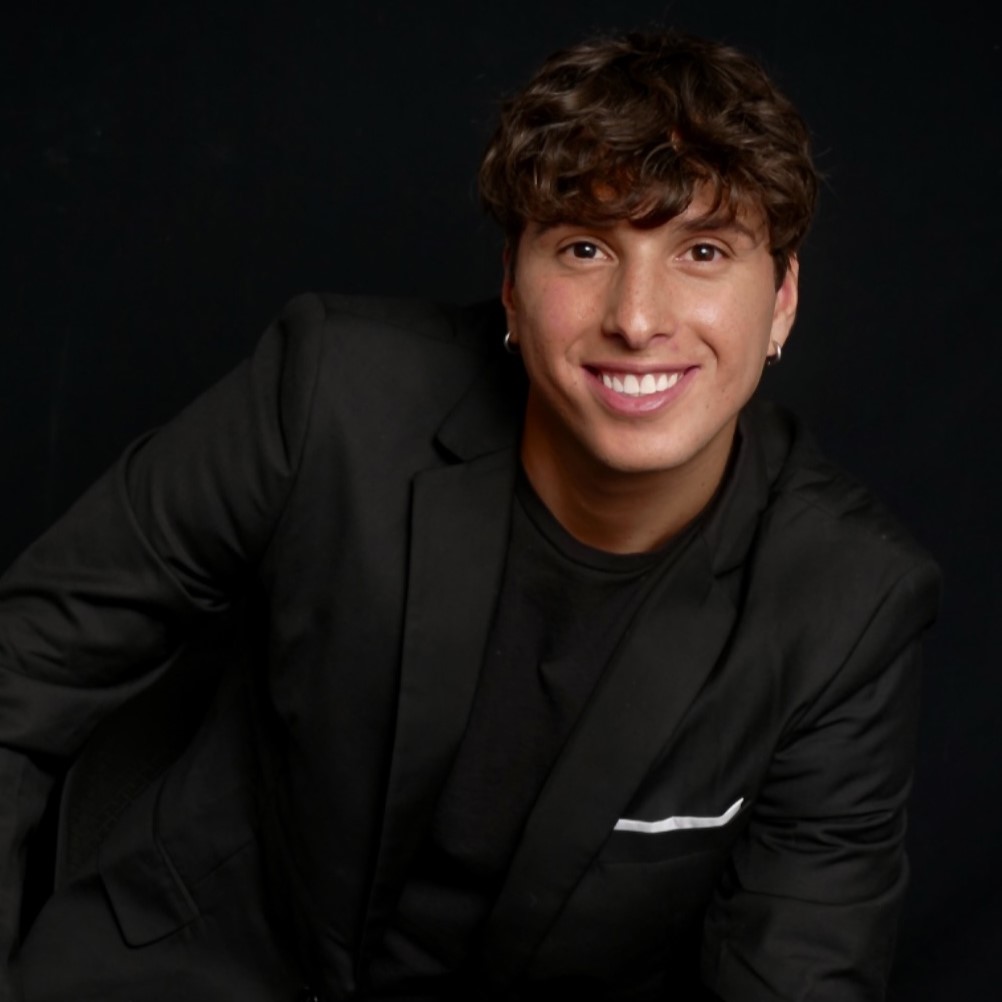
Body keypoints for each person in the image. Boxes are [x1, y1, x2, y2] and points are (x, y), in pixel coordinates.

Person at [0, 28, 939, 1002]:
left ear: (781, 300)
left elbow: (798, 971)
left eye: (702, 251)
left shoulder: (847, 603)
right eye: (584, 246)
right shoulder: (331, 398)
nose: (637, 318)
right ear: (511, 288)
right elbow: (23, 664)